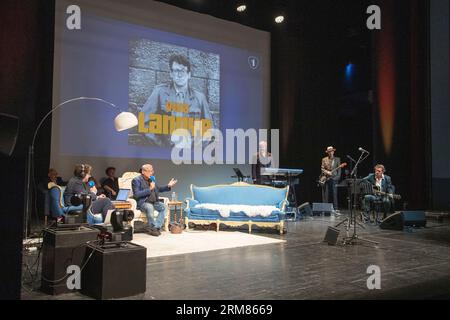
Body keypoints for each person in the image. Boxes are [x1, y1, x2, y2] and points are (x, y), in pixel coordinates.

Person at [141, 54, 214, 147]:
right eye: (176, 71)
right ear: (171, 74)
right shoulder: (159, 92)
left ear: (189, 75)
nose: (179, 75)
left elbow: (209, 129)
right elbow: (144, 122)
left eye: (183, 71)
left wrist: (194, 148)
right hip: (166, 153)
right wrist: (162, 146)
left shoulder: (200, 98)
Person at [132, 164, 177, 236]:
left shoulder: (152, 179)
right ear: (143, 171)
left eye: (152, 171)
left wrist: (168, 186)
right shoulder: (136, 180)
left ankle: (155, 227)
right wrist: (149, 189)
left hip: (154, 202)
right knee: (150, 207)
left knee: (164, 207)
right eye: (149, 171)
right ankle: (153, 228)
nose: (151, 173)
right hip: (144, 202)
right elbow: (136, 194)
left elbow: (158, 189)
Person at [320, 146, 341, 214]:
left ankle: (336, 208)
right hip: (326, 178)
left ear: (333, 151)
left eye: (331, 151)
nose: (330, 152)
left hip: (334, 179)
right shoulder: (324, 159)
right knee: (326, 194)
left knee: (335, 194)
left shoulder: (337, 159)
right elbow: (322, 169)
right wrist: (327, 172)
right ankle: (325, 209)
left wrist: (337, 178)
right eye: (329, 151)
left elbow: (339, 170)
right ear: (328, 152)